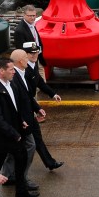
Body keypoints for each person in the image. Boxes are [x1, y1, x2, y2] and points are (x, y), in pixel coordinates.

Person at [0, 55, 39, 197]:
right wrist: (14, 134)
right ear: (2, 71)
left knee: (21, 159)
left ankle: (21, 191)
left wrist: (21, 121)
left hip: (14, 133)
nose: (14, 72)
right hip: (0, 138)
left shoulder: (11, 84)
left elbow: (15, 108)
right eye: (11, 69)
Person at [23, 41, 64, 171]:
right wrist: (37, 108)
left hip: (30, 105)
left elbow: (40, 82)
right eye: (31, 53)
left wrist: (53, 94)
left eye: (36, 52)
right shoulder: (24, 71)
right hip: (25, 107)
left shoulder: (33, 65)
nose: (34, 55)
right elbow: (26, 96)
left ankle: (50, 162)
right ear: (25, 54)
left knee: (36, 137)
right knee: (26, 142)